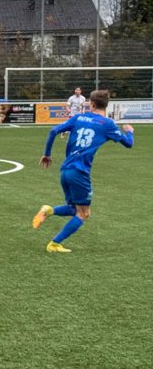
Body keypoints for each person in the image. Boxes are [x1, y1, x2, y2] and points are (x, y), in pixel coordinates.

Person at [33, 89, 134, 253]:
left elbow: (53, 131)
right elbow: (128, 143)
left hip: (65, 170)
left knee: (74, 209)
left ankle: (49, 210)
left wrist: (47, 154)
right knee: (84, 213)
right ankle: (54, 243)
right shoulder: (107, 124)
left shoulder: (79, 117)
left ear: (91, 104)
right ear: (106, 105)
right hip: (80, 173)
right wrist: (129, 131)